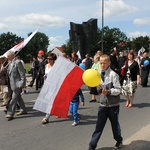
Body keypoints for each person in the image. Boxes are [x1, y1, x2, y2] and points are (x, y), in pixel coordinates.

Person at [88, 54, 123, 150]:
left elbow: (118, 90)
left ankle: (119, 140)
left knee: (115, 126)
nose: (102, 65)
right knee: (98, 127)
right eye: (101, 63)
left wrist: (108, 91)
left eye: (104, 63)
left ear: (109, 63)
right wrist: (99, 89)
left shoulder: (113, 75)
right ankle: (91, 146)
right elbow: (98, 91)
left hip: (113, 106)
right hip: (103, 105)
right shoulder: (98, 75)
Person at [5, 51, 27, 121]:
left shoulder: (18, 62)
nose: (7, 57)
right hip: (12, 84)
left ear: (12, 56)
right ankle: (23, 109)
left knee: (14, 98)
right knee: (18, 97)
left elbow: (22, 73)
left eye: (8, 56)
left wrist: (22, 83)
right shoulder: (10, 63)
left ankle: (10, 113)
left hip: (17, 83)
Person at [41, 53, 57, 124]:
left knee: (50, 101)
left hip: (53, 86)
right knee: (49, 101)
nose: (48, 60)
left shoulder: (56, 67)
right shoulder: (46, 66)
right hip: (46, 85)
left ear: (53, 60)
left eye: (50, 59)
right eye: (48, 58)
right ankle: (56, 111)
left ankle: (46, 117)